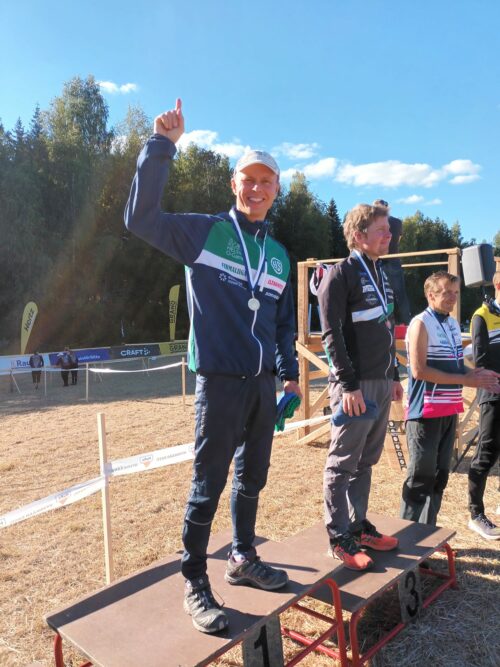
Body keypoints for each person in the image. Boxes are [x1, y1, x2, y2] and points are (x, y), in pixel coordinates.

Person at [124, 99, 300, 633]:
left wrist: (290, 375)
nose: (256, 188)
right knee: (208, 485)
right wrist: (161, 146)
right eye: (248, 179)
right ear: (233, 183)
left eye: (266, 181)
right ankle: (195, 580)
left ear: (276, 190)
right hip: (219, 383)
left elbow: (282, 324)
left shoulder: (279, 256)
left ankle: (242, 557)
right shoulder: (205, 233)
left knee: (253, 479)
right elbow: (140, 219)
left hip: (262, 386)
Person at [317, 203, 404, 571]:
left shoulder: (381, 272)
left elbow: (387, 327)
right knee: (342, 464)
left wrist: (394, 376)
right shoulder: (340, 275)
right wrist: (349, 385)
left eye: (388, 230)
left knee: (365, 461)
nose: (389, 236)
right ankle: (339, 537)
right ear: (358, 236)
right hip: (355, 387)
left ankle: (358, 526)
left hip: (380, 383)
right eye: (381, 230)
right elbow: (331, 335)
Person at [400, 271, 500, 526]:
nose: (453, 298)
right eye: (446, 292)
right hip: (424, 411)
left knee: (439, 477)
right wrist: (466, 380)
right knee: (420, 479)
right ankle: (409, 539)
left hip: (449, 409)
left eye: (456, 292)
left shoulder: (453, 324)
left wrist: (475, 374)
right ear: (430, 295)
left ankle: (428, 534)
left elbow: (457, 366)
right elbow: (419, 371)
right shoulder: (420, 323)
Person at [467, 271, 500, 539]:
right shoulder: (482, 316)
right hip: (493, 394)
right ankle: (476, 514)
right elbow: (481, 363)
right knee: (486, 454)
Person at [373, 199, 411, 325]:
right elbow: (398, 240)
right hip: (394, 260)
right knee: (400, 294)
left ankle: (386, 322)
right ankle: (407, 323)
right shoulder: (397, 222)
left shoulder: (374, 222)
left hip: (380, 261)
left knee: (381, 293)